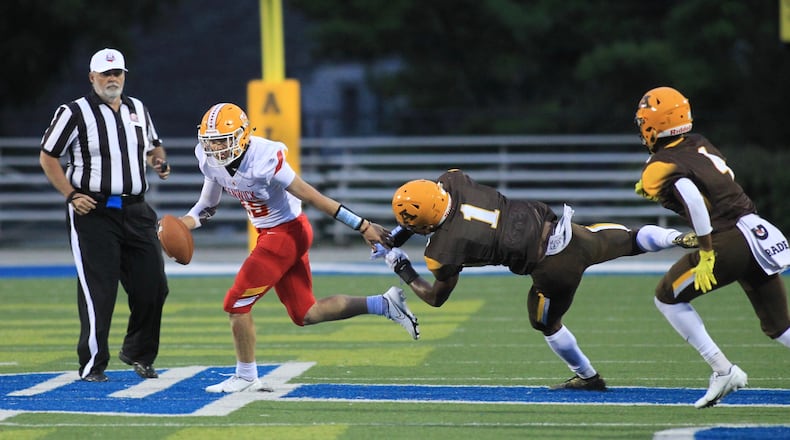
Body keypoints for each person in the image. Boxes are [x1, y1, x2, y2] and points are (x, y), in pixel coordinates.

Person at [376, 169, 697, 390]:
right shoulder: (454, 181)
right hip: (564, 231)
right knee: (630, 239)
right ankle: (674, 237)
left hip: (553, 268)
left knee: (543, 320)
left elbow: (436, 297)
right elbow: (438, 196)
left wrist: (400, 265)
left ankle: (587, 377)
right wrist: (402, 232)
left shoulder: (442, 251)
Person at [179, 102, 419, 393]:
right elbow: (207, 205)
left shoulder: (265, 158)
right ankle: (384, 304)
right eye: (211, 141)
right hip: (270, 234)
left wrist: (363, 226)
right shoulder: (209, 160)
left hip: (285, 233)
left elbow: (314, 197)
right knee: (306, 313)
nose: (216, 148)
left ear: (242, 136)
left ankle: (245, 376)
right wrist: (183, 224)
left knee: (236, 304)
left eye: (222, 141)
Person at [633, 86, 790, 408]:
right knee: (780, 325)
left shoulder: (659, 166)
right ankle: (723, 371)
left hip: (725, 240)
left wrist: (706, 249)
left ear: (652, 125)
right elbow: (723, 177)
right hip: (755, 230)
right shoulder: (699, 143)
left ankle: (722, 369)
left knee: (667, 297)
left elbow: (694, 199)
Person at [39, 48, 171, 382]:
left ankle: (139, 353)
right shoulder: (74, 112)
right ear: (92, 77)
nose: (112, 79)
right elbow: (48, 157)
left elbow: (153, 145)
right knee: (99, 290)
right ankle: (93, 364)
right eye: (106, 74)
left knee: (153, 285)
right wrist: (71, 194)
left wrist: (158, 161)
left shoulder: (137, 108)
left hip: (136, 208)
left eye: (118, 73)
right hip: (94, 210)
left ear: (124, 75)